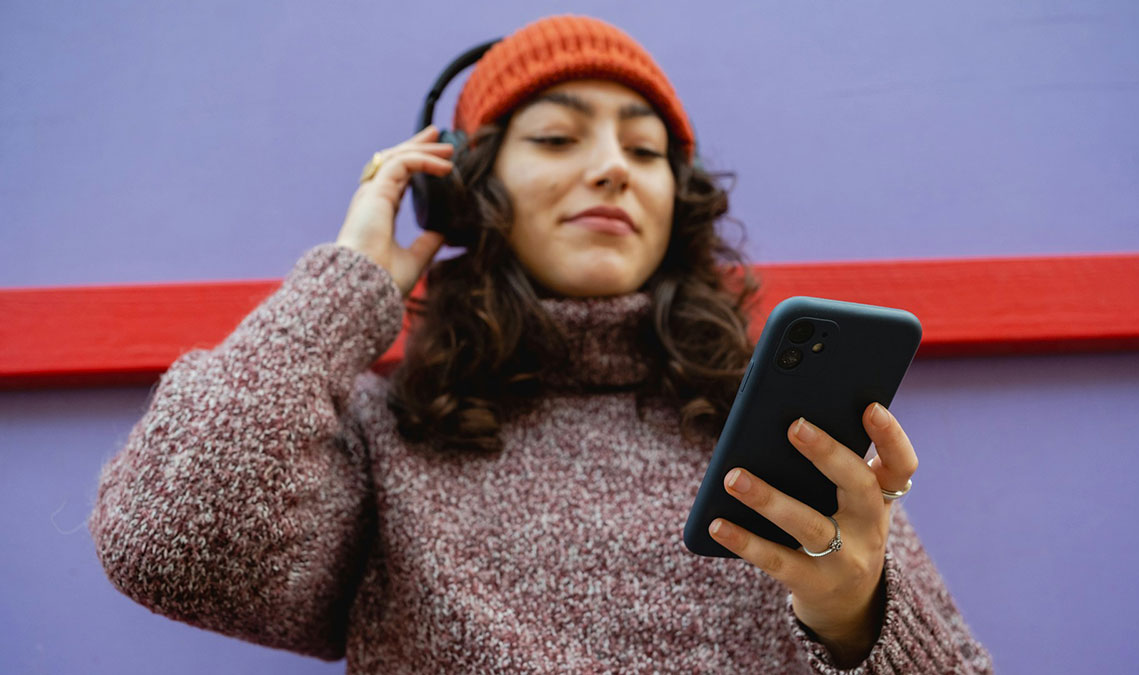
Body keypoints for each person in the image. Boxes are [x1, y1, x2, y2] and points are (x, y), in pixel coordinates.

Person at [89, 14, 992, 674]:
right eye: (558, 135)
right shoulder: (384, 430)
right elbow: (163, 542)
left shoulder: (768, 427)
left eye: (645, 154)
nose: (610, 166)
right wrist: (344, 286)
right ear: (467, 194)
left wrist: (853, 618)